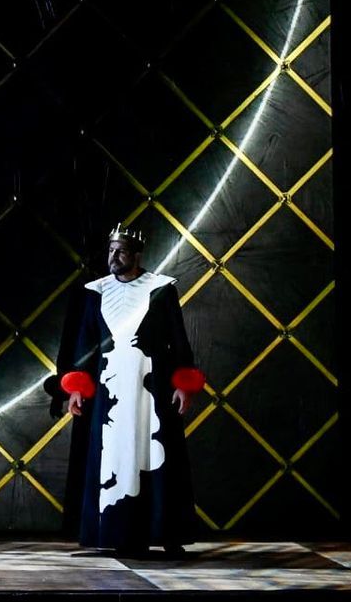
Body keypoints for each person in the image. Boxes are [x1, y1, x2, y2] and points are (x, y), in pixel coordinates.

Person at [48, 223, 204, 557]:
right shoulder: (96, 292)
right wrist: (77, 387)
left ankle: (165, 532)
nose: (114, 257)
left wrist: (183, 383)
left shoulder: (160, 289)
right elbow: (85, 344)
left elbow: (177, 338)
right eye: (110, 251)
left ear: (136, 255)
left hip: (152, 386)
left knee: (155, 455)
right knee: (114, 456)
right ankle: (117, 533)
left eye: (120, 251)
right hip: (111, 387)